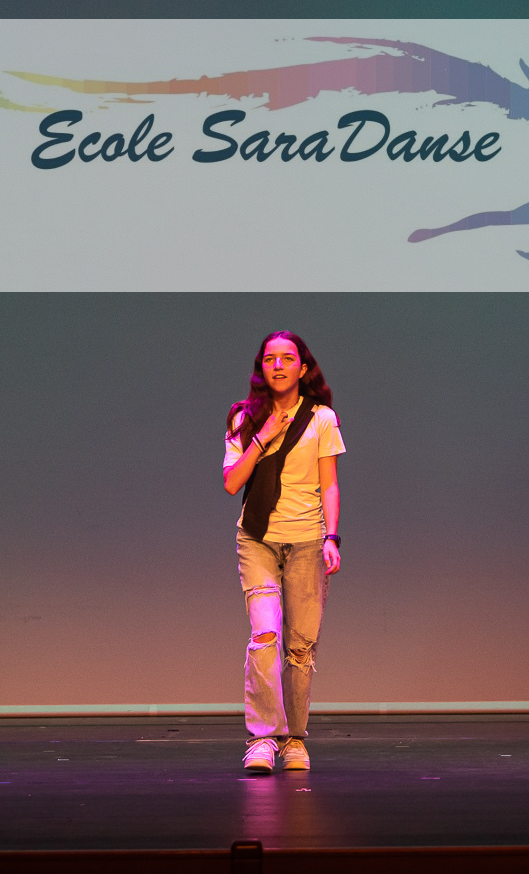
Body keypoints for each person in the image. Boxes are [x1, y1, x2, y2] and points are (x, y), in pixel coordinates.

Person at [221, 331, 346, 773]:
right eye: (270, 358)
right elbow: (231, 483)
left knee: (300, 648)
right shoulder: (243, 417)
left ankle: (294, 738)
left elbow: (329, 484)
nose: (278, 365)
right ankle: (261, 739)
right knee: (265, 636)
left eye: (287, 358)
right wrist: (263, 437)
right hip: (257, 540)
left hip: (308, 541)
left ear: (303, 368)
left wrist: (332, 537)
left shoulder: (322, 419)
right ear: (261, 367)